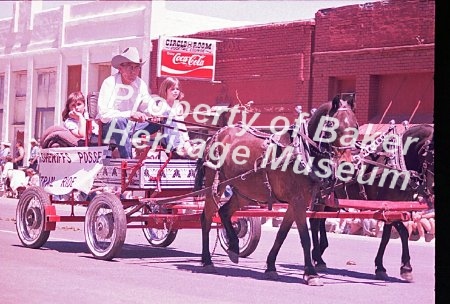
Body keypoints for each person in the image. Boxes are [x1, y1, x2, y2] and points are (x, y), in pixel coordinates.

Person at [96, 47, 160, 158]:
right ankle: (128, 161)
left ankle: (178, 154)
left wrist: (155, 113)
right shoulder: (109, 83)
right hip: (109, 129)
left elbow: (147, 103)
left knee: (166, 119)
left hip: (133, 128)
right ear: (120, 68)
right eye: (130, 67)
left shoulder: (141, 84)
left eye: (137, 68)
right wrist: (129, 114)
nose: (134, 72)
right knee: (119, 121)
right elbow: (103, 114)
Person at [154, 76, 194, 157]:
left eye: (177, 89)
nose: (176, 91)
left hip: (180, 136)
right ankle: (180, 149)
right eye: (172, 89)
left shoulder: (178, 105)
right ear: (165, 91)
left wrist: (186, 139)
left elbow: (182, 125)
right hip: (167, 137)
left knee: (189, 146)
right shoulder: (162, 104)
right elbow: (158, 118)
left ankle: (188, 150)